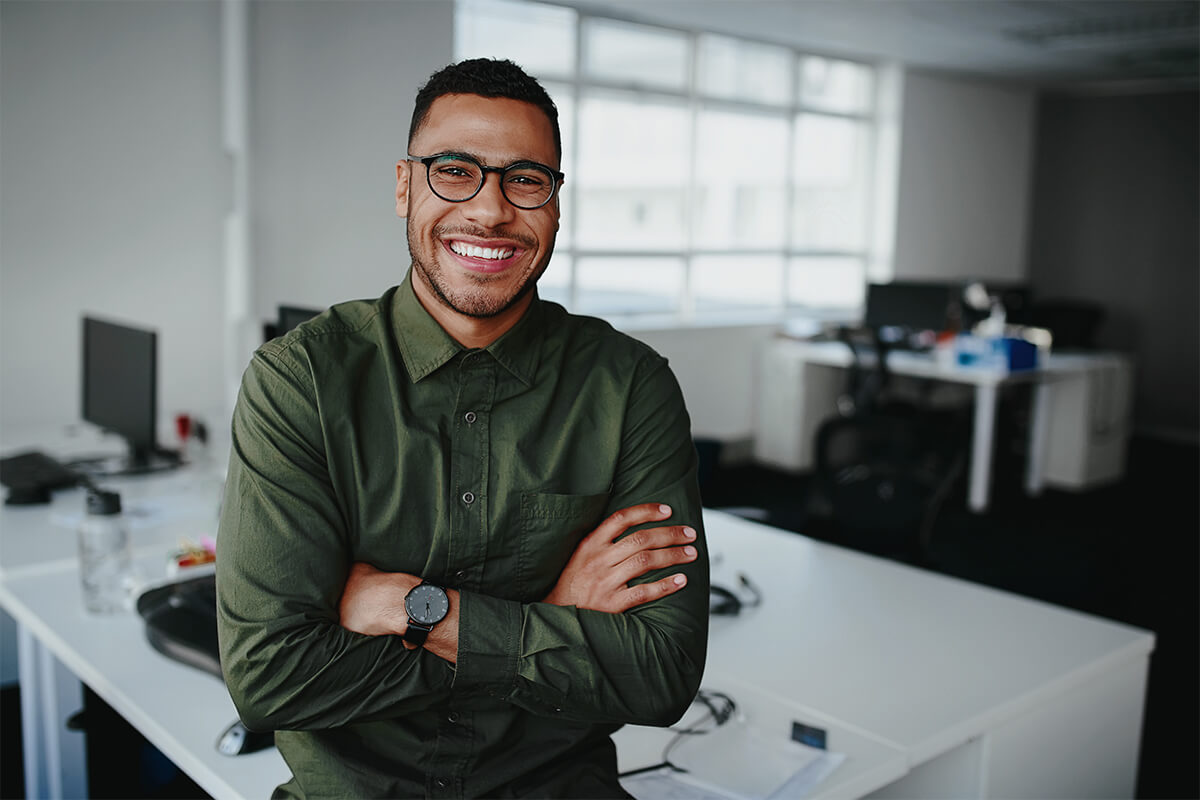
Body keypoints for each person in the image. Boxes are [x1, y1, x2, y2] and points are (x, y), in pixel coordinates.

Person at [216, 57, 709, 799]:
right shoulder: (301, 381)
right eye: (454, 170)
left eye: (526, 178)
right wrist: (548, 621)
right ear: (404, 185)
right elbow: (270, 679)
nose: (489, 211)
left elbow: (659, 676)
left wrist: (418, 611)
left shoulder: (629, 386)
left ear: (556, 204)